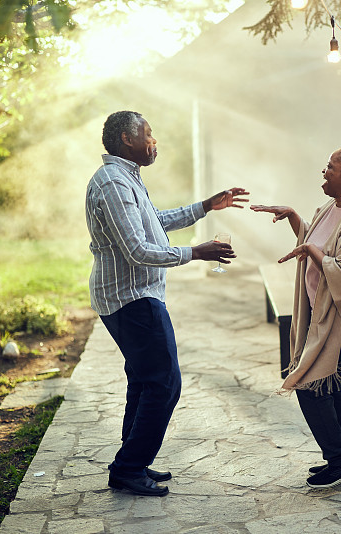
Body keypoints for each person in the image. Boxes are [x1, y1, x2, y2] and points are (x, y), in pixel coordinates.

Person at [85, 111, 249, 496]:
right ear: (127, 139)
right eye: (148, 133)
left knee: (145, 381)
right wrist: (196, 252)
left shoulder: (125, 177)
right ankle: (129, 467)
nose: (153, 140)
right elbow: (138, 250)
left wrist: (206, 205)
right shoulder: (113, 183)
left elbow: (154, 220)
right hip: (131, 298)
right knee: (164, 383)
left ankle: (131, 460)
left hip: (133, 296)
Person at [251, 142, 341, 489]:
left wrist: (312, 251)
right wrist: (294, 217)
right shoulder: (331, 208)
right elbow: (319, 243)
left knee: (309, 384)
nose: (324, 171)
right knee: (329, 385)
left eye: (330, 166)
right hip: (326, 314)